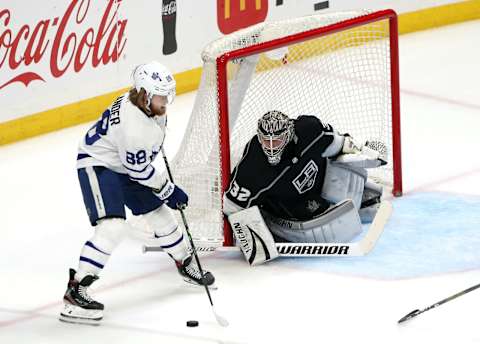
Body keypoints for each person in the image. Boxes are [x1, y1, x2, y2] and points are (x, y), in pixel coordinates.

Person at [60, 61, 215, 325]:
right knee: (113, 228)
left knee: (161, 216)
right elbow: (140, 171)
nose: (166, 101)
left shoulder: (145, 107)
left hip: (123, 163)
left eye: (168, 94)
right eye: (160, 96)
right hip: (98, 164)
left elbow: (140, 158)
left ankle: (184, 263)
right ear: (144, 94)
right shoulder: (135, 127)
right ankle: (76, 291)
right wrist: (169, 190)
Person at [223, 110, 386, 263]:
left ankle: (356, 200)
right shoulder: (253, 167)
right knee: (338, 230)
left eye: (277, 140)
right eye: (266, 141)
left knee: (373, 204)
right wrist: (255, 242)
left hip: (322, 184)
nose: (271, 148)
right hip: (295, 211)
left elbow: (340, 145)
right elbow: (232, 206)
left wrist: (367, 152)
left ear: (288, 135)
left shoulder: (310, 129)